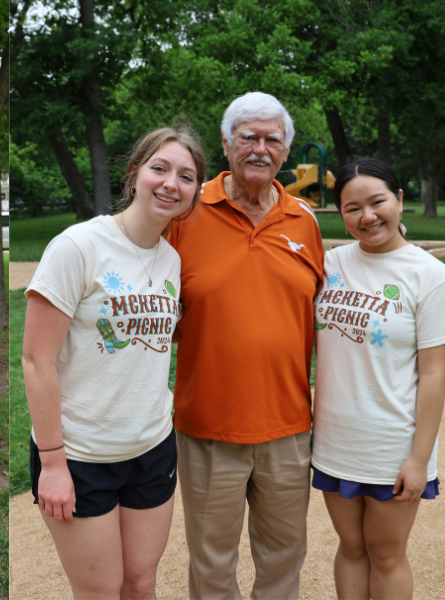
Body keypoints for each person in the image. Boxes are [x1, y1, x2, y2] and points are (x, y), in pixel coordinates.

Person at [22, 124, 206, 600]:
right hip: (82, 456)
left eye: (186, 176)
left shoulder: (171, 260)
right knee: (101, 591)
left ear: (194, 193)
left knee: (141, 583)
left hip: (151, 448)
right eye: (159, 168)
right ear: (134, 174)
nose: (171, 183)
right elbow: (36, 360)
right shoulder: (79, 246)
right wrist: (53, 464)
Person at [167, 92, 324, 599]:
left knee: (284, 557)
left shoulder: (305, 221)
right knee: (211, 563)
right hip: (209, 425)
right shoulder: (183, 214)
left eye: (271, 140)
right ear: (226, 143)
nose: (260, 149)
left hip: (288, 427)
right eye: (248, 137)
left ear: (285, 151)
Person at [312, 158, 445, 599]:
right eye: (352, 208)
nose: (367, 217)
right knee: (351, 547)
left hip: (392, 444)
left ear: (399, 199)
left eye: (377, 202)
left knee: (386, 554)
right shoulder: (328, 264)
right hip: (334, 438)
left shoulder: (428, 275)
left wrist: (419, 459)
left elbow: (434, 371)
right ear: (341, 214)